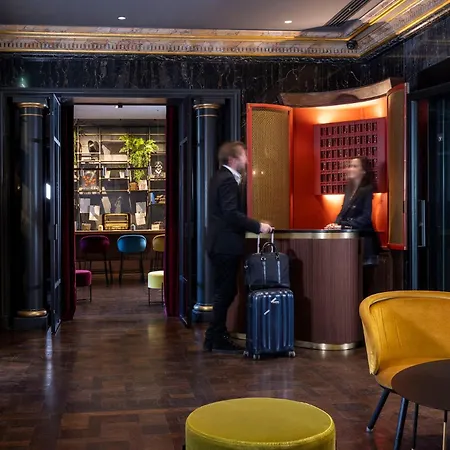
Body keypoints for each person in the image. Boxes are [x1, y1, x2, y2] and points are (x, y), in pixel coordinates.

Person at [204, 141, 272, 353]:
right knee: (225, 292)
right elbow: (231, 214)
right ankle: (215, 338)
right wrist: (258, 226)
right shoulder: (227, 180)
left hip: (218, 244)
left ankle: (213, 337)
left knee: (224, 292)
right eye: (243, 155)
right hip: (225, 245)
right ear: (233, 159)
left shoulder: (218, 177)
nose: (246, 160)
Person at [325, 156, 381, 294]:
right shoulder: (349, 190)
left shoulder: (367, 189)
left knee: (364, 287)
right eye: (350, 165)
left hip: (365, 245)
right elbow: (342, 213)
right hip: (351, 245)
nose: (350, 168)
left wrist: (343, 226)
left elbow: (365, 218)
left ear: (363, 171)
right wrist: (334, 224)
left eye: (355, 166)